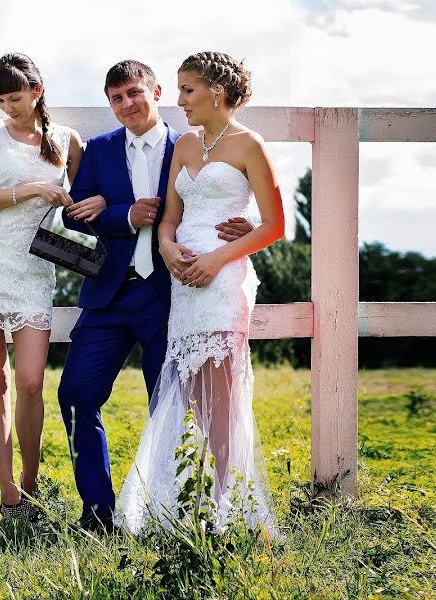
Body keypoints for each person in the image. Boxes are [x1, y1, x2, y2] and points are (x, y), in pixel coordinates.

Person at [58, 59, 253, 532]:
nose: (126, 104)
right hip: (108, 296)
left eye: (133, 93)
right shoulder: (101, 151)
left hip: (172, 295)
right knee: (75, 393)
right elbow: (72, 217)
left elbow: (224, 195)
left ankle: (175, 509)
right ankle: (98, 511)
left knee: (170, 403)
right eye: (116, 98)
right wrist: (122, 214)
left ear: (156, 90)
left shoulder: (189, 144)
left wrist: (243, 224)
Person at [115, 52, 283, 535]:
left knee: (223, 392)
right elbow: (169, 218)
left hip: (223, 278)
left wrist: (216, 259)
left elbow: (274, 225)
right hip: (183, 280)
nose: (181, 100)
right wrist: (168, 249)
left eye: (188, 90)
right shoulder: (186, 144)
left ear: (218, 92)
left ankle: (226, 506)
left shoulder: (250, 145)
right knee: (189, 388)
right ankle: (187, 500)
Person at [0, 53, 95, 520]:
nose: (7, 107)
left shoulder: (66, 140)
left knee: (32, 382)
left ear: (37, 91)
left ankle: (32, 485)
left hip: (34, 270)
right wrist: (33, 189)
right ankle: (9, 491)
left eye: (15, 98)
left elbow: (93, 189)